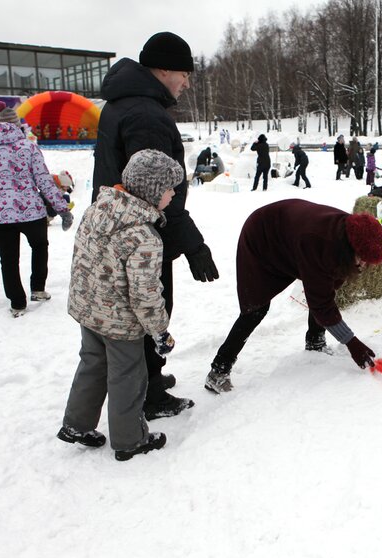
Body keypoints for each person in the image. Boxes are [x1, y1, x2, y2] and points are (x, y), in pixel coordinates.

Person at [91, 31, 218, 419]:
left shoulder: (123, 104)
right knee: (150, 306)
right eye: (184, 73)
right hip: (144, 232)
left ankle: (148, 380)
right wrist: (194, 246)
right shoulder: (145, 114)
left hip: (119, 228)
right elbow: (158, 191)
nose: (187, 82)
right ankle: (148, 397)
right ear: (163, 69)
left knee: (136, 306)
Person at [59, 150, 181, 461]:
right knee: (128, 376)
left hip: (89, 310)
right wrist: (160, 331)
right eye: (170, 188)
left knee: (92, 365)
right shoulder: (143, 235)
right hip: (120, 323)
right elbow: (146, 293)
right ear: (152, 191)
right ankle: (130, 440)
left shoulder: (98, 209)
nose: (174, 194)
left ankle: (76, 424)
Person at [204, 200, 382, 394]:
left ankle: (315, 342)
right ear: (352, 248)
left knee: (324, 287)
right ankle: (218, 371)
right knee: (255, 309)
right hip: (263, 237)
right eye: (362, 260)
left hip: (291, 237)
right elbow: (321, 303)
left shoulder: (347, 236)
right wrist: (351, 342)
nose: (364, 266)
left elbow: (325, 291)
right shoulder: (320, 243)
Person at [0, 103, 74, 316]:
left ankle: (17, 303)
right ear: (17, 125)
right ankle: (38, 288)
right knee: (39, 246)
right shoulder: (28, 147)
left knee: (7, 258)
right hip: (30, 211)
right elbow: (44, 180)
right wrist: (62, 209)